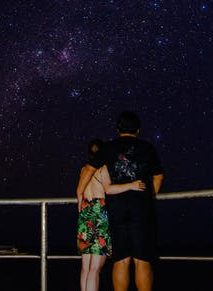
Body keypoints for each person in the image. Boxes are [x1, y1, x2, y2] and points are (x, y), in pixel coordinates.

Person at [78, 112, 164, 291]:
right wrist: (150, 196)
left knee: (121, 259)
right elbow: (158, 176)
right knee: (142, 259)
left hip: (116, 208)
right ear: (138, 130)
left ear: (118, 129)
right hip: (141, 207)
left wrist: (79, 193)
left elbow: (88, 170)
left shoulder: (108, 148)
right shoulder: (147, 148)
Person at [77, 138, 145, 291]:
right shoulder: (103, 168)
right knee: (95, 268)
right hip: (99, 213)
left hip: (85, 211)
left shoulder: (83, 170)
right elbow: (108, 189)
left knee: (86, 268)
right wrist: (131, 185)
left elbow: (79, 194)